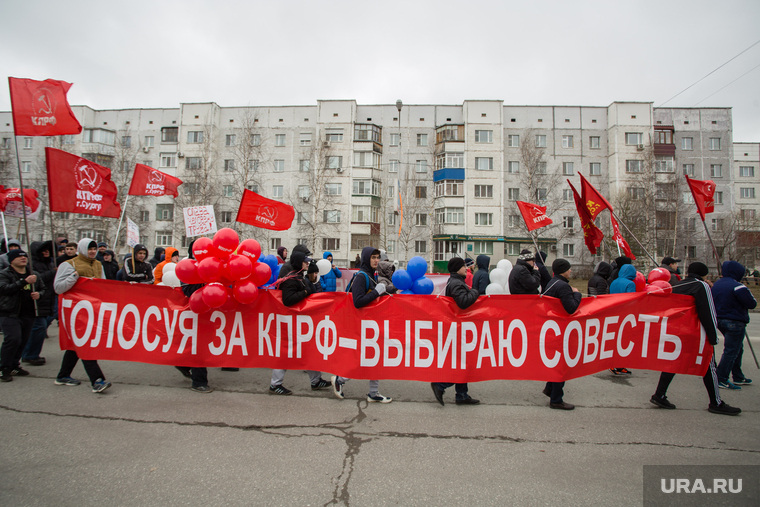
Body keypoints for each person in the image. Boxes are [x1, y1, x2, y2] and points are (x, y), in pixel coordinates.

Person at [650, 262, 740, 416]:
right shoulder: (701, 286)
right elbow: (708, 311)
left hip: (679, 331)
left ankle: (659, 394)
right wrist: (713, 336)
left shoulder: (679, 285)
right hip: (696, 332)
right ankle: (716, 402)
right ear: (704, 273)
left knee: (673, 363)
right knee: (708, 364)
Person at [332, 246, 392, 403]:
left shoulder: (372, 275)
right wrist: (377, 292)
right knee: (362, 358)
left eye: (378, 257)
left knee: (375, 358)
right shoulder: (361, 276)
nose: (376, 260)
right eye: (373, 257)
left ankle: (374, 392)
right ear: (366, 258)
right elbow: (358, 302)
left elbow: (374, 296)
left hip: (371, 324)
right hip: (361, 325)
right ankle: (340, 380)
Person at [52, 238, 111, 393]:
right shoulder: (69, 265)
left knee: (76, 345)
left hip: (92, 310)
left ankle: (63, 375)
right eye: (89, 249)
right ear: (82, 249)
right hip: (75, 311)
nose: (92, 251)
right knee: (85, 343)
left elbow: (103, 285)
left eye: (94, 249)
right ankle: (97, 380)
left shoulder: (98, 264)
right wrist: (75, 276)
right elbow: (58, 288)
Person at [269, 249, 331, 395]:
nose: (307, 264)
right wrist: (305, 292)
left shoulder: (298, 274)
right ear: (298, 262)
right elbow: (288, 299)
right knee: (285, 352)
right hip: (290, 320)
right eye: (305, 261)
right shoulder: (291, 277)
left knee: (309, 351)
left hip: (300, 319)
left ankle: (316, 381)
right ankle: (275, 384)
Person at [431, 257, 480, 406]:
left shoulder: (456, 281)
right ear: (457, 268)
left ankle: (462, 395)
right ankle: (440, 385)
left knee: (463, 362)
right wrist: (476, 292)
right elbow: (463, 302)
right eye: (464, 266)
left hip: (459, 328)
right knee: (464, 363)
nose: (467, 268)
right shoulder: (457, 283)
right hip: (459, 329)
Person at [540, 259, 581, 410]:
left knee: (556, 362)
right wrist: (577, 295)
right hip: (559, 330)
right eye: (569, 269)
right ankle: (556, 399)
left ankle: (550, 388)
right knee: (561, 365)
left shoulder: (552, 283)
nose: (571, 271)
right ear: (563, 270)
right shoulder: (563, 286)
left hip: (551, 329)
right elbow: (571, 308)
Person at [174, 240, 213, 393]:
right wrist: (203, 281)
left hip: (208, 312)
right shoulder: (187, 267)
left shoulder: (211, 265)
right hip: (193, 312)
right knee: (199, 346)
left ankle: (183, 364)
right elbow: (187, 291)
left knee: (202, 345)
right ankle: (199, 382)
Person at [712, 260, 756, 390]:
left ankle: (738, 376)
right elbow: (751, 303)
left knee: (737, 348)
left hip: (719, 320)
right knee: (731, 351)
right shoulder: (738, 286)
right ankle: (721, 378)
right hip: (735, 321)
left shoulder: (717, 285)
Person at [0, 249, 42, 382]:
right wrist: (24, 282)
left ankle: (14, 365)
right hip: (10, 312)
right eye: (19, 257)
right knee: (13, 339)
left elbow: (43, 289)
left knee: (23, 340)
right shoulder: (5, 274)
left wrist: (39, 294)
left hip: (28, 313)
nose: (23, 259)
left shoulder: (34, 274)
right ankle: (4, 368)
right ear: (11, 260)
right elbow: (4, 289)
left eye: (25, 257)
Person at [21, 241, 57, 366]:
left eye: (48, 249)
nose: (46, 252)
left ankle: (29, 353)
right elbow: (37, 278)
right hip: (38, 301)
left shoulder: (50, 263)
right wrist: (53, 272)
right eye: (43, 250)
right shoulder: (32, 265)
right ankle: (30, 354)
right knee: (38, 327)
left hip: (49, 298)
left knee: (42, 326)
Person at [608, 264, 636, 375]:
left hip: (614, 313)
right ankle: (617, 364)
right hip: (626, 315)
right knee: (623, 341)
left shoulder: (614, 282)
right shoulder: (630, 283)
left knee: (616, 339)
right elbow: (631, 300)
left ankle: (617, 364)